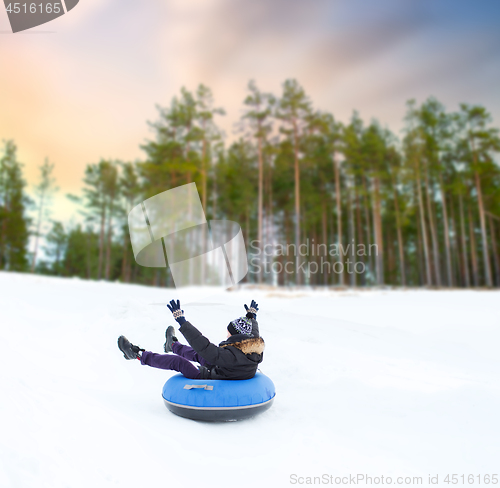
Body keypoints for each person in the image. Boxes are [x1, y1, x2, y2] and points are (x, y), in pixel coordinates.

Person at [117, 299, 264, 380]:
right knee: (198, 355)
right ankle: (172, 345)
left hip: (212, 377)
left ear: (236, 337)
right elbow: (253, 332)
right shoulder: (253, 347)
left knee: (179, 362)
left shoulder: (230, 356)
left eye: (229, 333)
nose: (226, 334)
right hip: (226, 370)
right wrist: (251, 318)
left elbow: (204, 346)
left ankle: (137, 355)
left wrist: (182, 322)